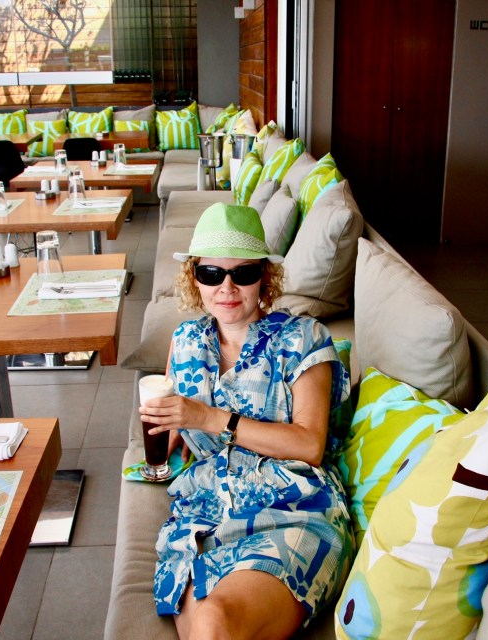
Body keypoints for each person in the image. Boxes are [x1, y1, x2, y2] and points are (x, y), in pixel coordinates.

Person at [139, 203, 353, 639]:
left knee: (215, 623)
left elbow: (309, 444)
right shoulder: (184, 341)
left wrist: (209, 417)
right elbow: (171, 412)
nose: (228, 287)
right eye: (213, 274)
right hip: (205, 513)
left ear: (265, 278)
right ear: (194, 279)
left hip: (294, 509)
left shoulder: (303, 338)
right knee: (208, 623)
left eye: (245, 273)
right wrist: (173, 428)